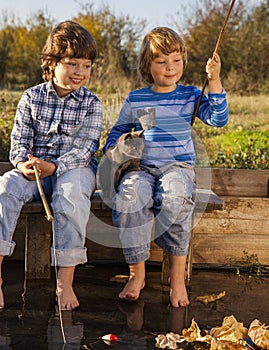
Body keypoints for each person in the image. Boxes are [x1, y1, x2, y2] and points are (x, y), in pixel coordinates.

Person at [102, 27, 228, 307]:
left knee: (176, 199)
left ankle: (177, 276)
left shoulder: (191, 95)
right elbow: (119, 130)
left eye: (176, 60)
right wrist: (113, 149)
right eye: (161, 61)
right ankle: (137, 274)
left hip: (178, 167)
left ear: (183, 61)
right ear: (148, 65)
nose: (170, 67)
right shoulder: (138, 98)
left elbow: (218, 119)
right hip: (142, 167)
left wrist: (215, 80)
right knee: (130, 198)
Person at [0, 20, 102, 311]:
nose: (80, 72)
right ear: (51, 62)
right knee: (5, 187)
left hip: (74, 169)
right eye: (72, 64)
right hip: (35, 171)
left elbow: (85, 149)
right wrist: (23, 164)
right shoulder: (32, 97)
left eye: (86, 66)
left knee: (70, 197)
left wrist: (54, 166)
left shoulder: (91, 103)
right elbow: (18, 141)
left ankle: (64, 283)